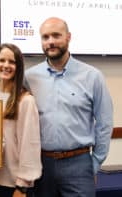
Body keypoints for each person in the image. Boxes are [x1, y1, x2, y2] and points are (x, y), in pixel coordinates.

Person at [24, 17, 114, 197]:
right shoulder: (29, 78)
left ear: (68, 37)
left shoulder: (92, 76)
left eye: (56, 35)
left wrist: (94, 163)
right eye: (45, 37)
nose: (50, 42)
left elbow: (104, 123)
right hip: (42, 165)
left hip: (79, 164)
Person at [0, 43, 42, 197]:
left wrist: (22, 187)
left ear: (19, 67)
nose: (6, 65)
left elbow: (30, 146)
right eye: (2, 60)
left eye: (12, 62)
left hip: (13, 185)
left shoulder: (25, 101)